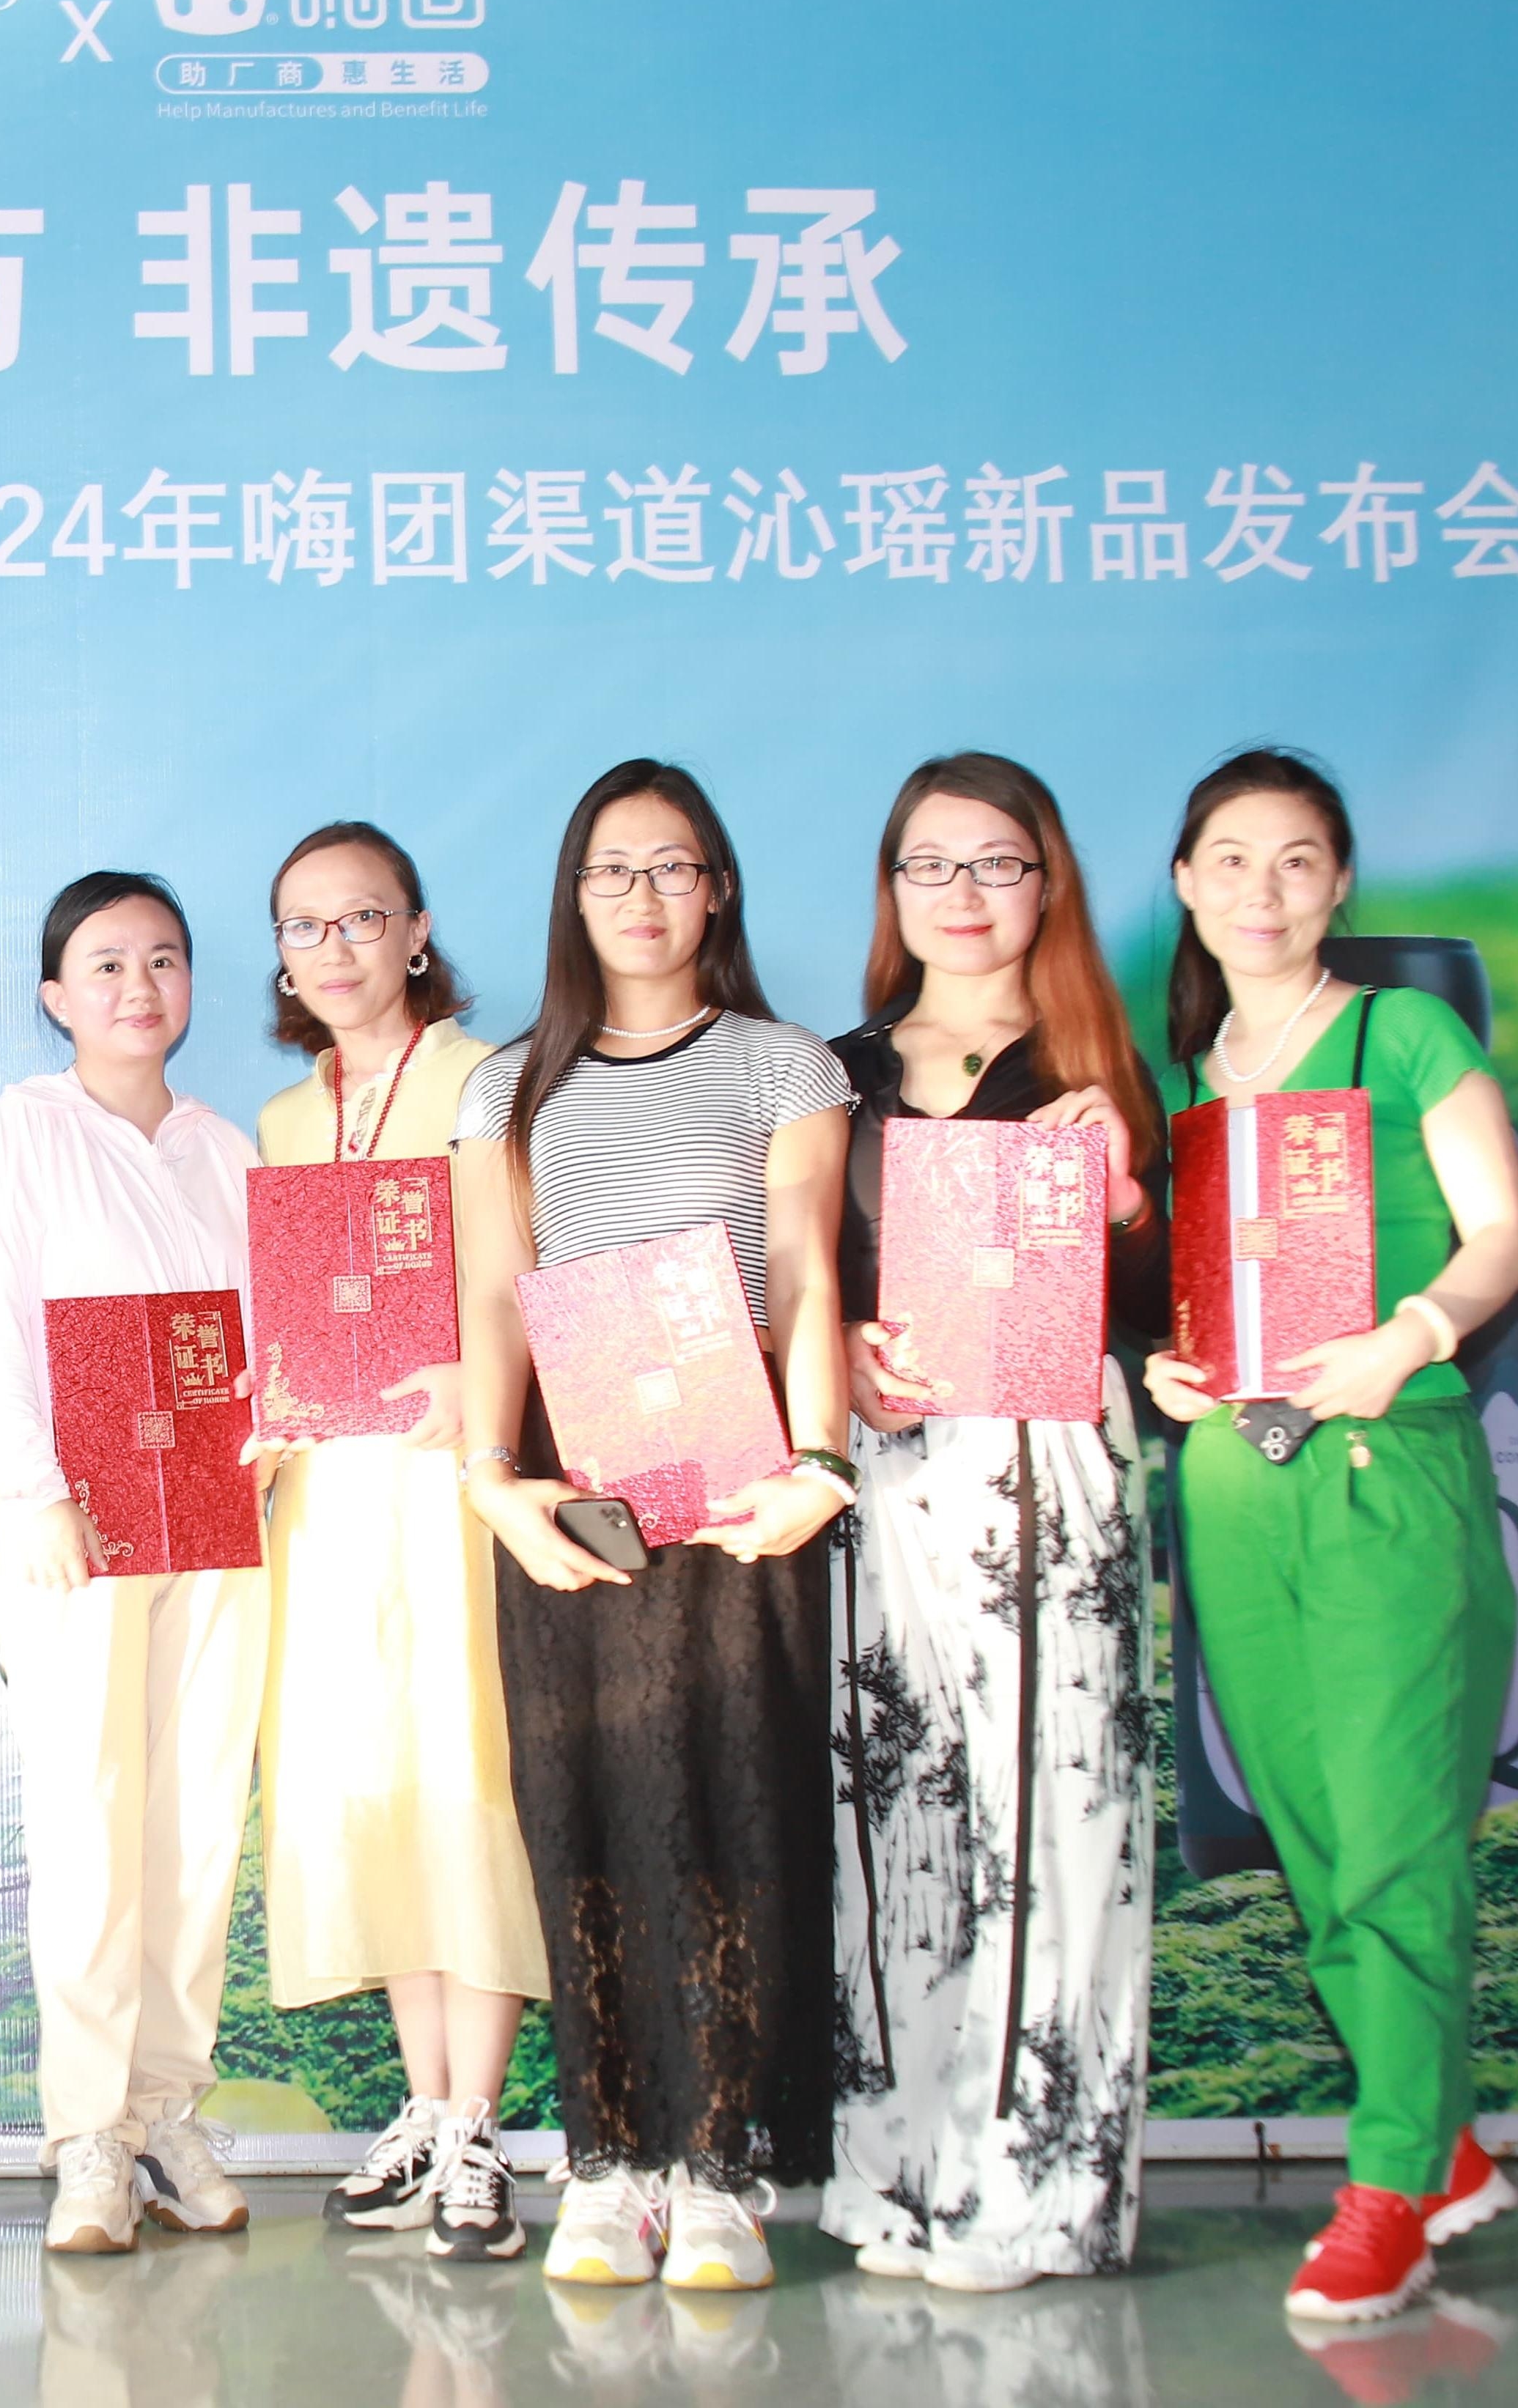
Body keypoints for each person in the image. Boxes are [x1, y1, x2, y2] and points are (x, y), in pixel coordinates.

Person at [450, 758, 855, 2293]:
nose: (642, 896)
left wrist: (818, 1461)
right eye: (611, 870)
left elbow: (806, 1270)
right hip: (574, 1474)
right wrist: (493, 1476)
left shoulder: (784, 1065)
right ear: (573, 894)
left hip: (738, 1454)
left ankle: (719, 2166)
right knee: (584, 1808)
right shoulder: (507, 1086)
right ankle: (610, 2161)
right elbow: (495, 1295)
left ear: (718, 889)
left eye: (673, 866)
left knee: (735, 1799)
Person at [1141, 749, 1518, 2324]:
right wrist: (1171, 1368)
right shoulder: (1186, 1081)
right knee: (1311, 1838)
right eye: (1232, 860)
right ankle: (1441, 2146)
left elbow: (1502, 1234)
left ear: (1342, 879)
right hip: (1236, 1485)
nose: (1264, 890)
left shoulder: (1405, 1035)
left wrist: (1414, 1333)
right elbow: (1194, 1291)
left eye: (1297, 859)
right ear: (1186, 883)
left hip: (1388, 1465)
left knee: (1393, 1837)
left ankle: (1388, 2190)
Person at [823, 755, 1164, 2291]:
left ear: (1048, 883)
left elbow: (1165, 1313)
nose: (964, 895)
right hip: (887, 1469)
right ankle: (898, 2176)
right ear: (893, 890)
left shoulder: (1097, 1063)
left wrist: (1127, 1203)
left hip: (1052, 1463)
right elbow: (798, 1275)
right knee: (895, 1808)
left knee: (1056, 1812)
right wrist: (839, 1357)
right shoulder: (835, 1073)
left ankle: (1033, 2192)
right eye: (931, 865)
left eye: (998, 864)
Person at [0, 873, 265, 2256]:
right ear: (55, 995)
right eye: (108, 963)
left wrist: (272, 1430)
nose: (140, 986)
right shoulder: (24, 1128)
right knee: (88, 1818)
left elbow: (270, 1335)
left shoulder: (227, 1148)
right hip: (71, 1515)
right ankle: (86, 2135)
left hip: (221, 1513)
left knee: (196, 1819)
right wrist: (33, 1492)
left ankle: (165, 2111)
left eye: (165, 960)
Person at [248, 821, 550, 2264]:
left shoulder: (489, 1080)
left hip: (450, 1477)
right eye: (304, 926)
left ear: (417, 931)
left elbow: (526, 1276)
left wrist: (475, 1387)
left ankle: (480, 2121)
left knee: (464, 1771)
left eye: (363, 918)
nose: (335, 949)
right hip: (328, 1494)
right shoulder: (280, 1119)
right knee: (367, 1786)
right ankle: (426, 2108)